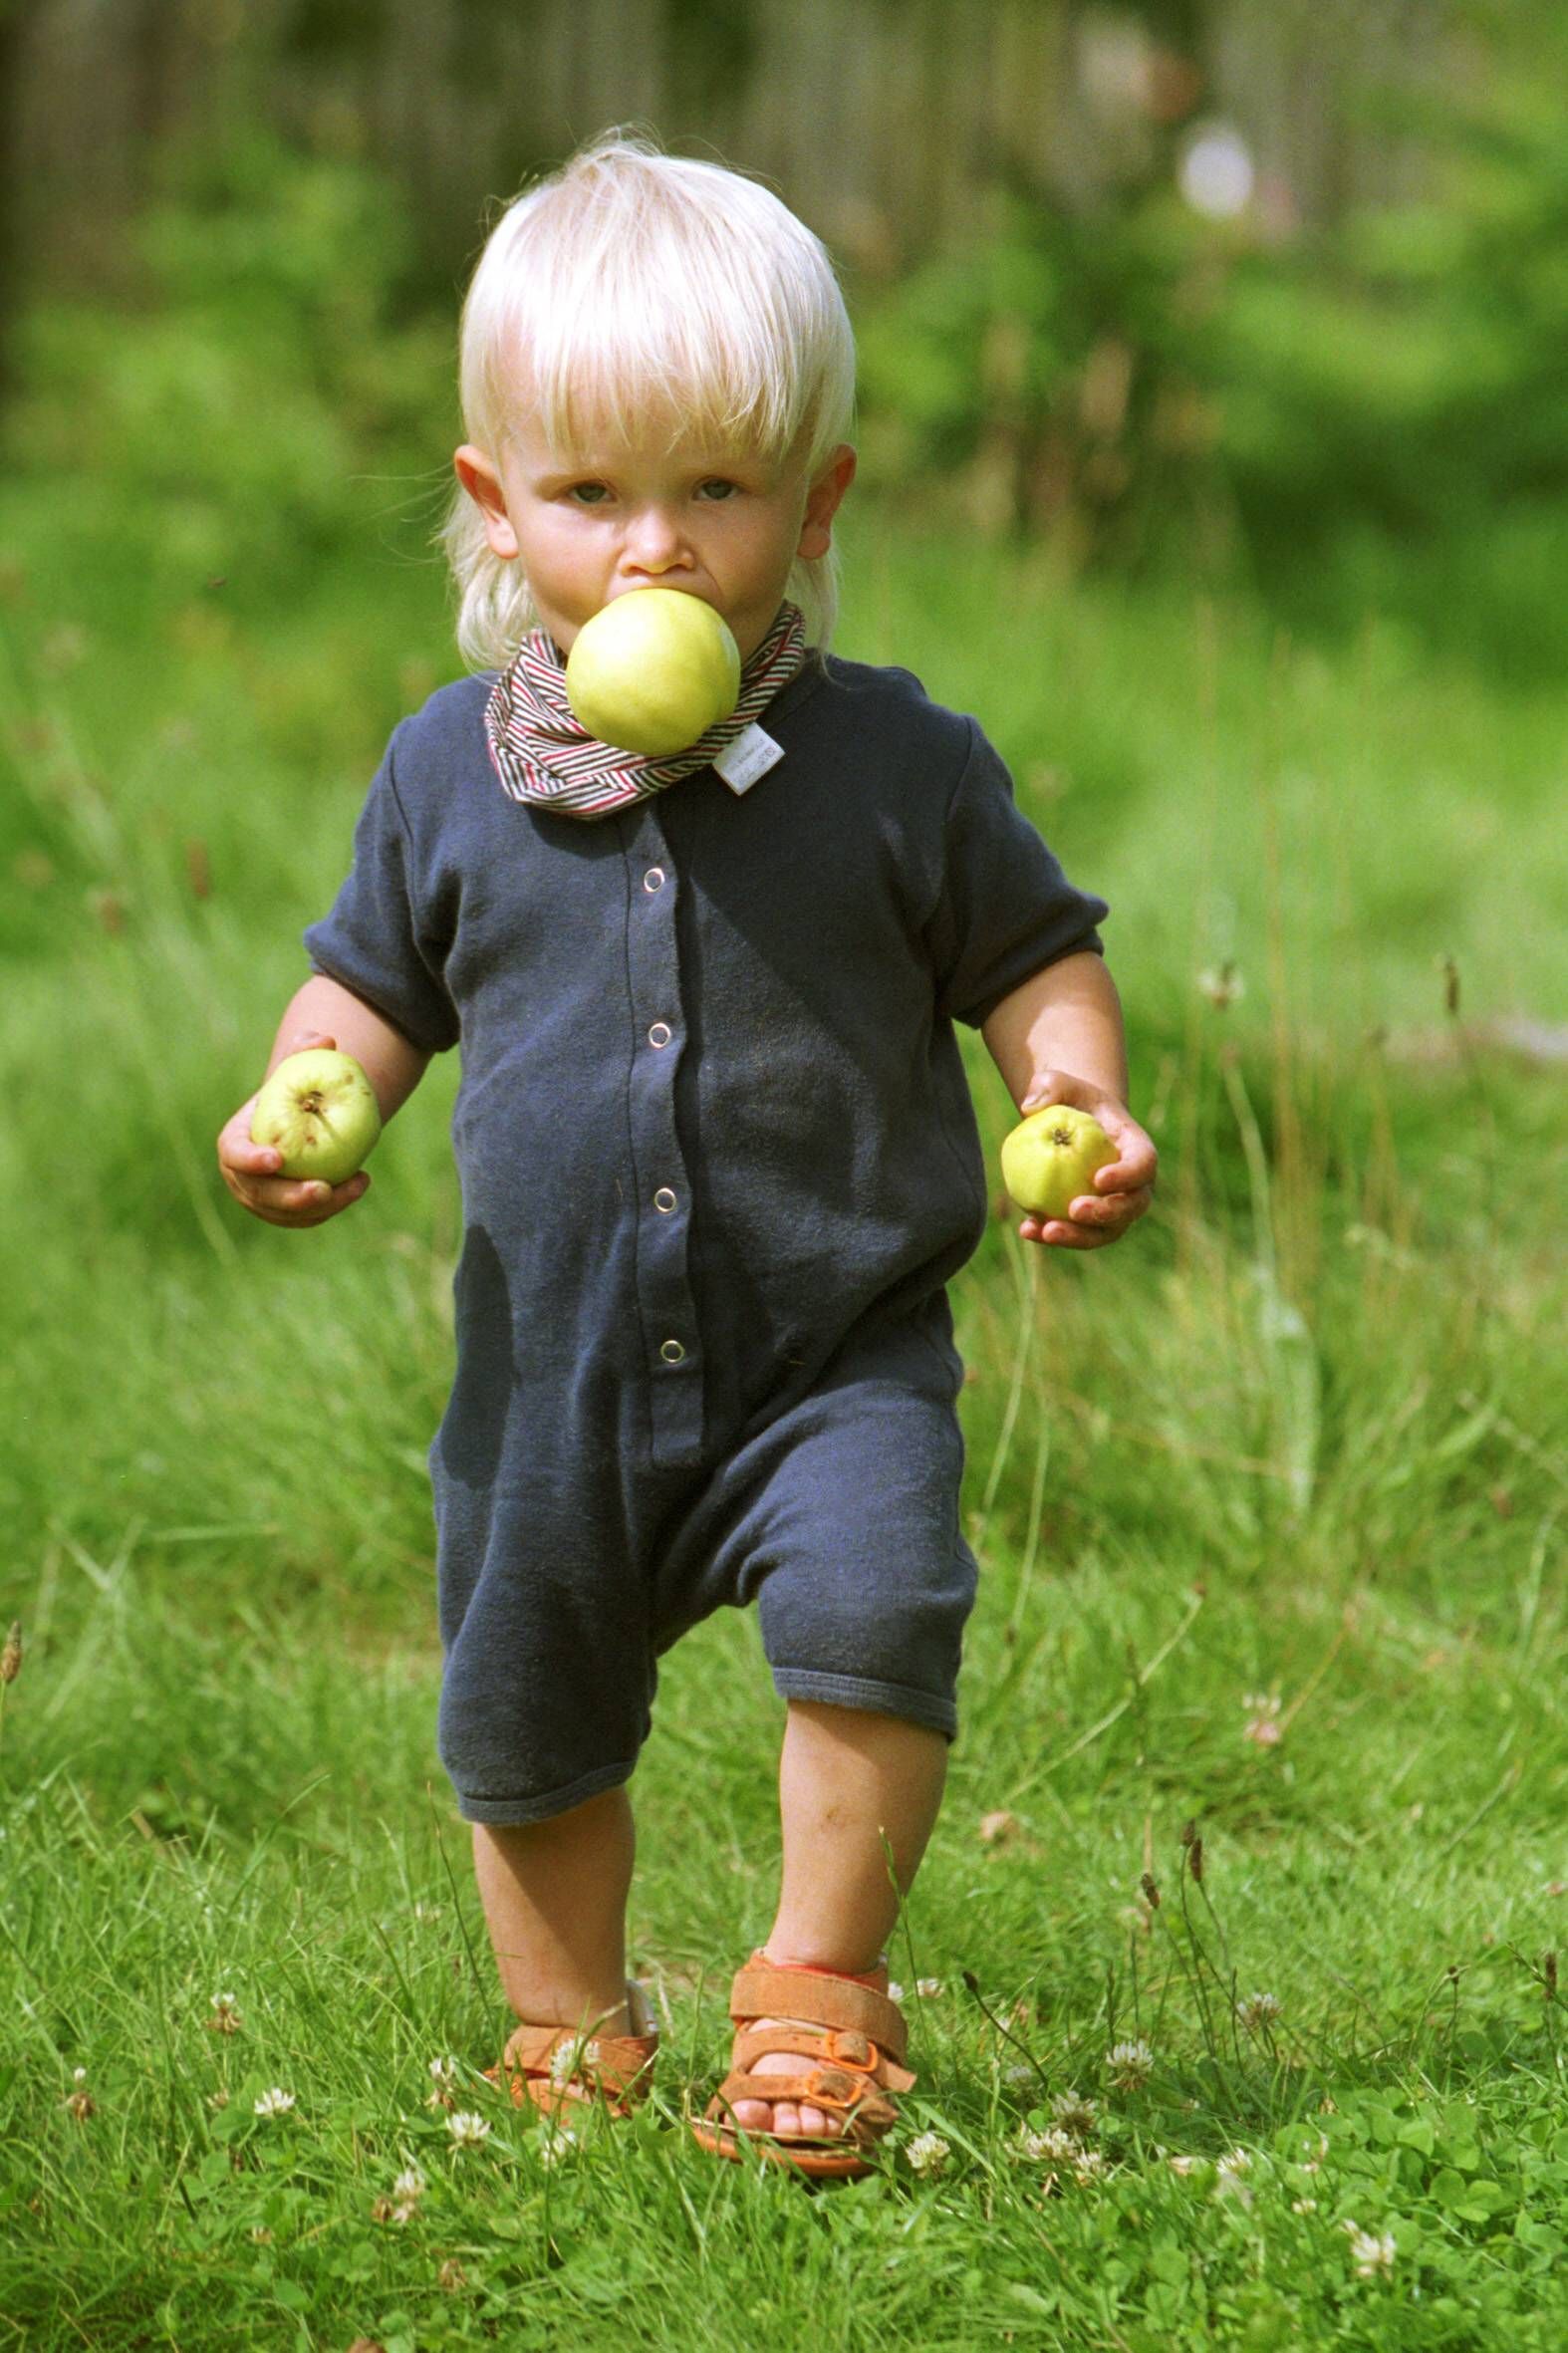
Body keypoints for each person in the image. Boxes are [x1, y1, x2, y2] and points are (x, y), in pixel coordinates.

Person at [216, 129, 1156, 2179]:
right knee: (522, 1709)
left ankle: (816, 1996)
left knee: (877, 1616)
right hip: (548, 1368)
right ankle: (568, 2023)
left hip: (836, 1344)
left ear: (814, 501)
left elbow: (1033, 954)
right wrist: (307, 1093)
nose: (656, 549)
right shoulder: (444, 775)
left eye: (716, 490)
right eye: (592, 495)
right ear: (497, 504)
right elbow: (366, 985)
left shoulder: (897, 762)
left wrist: (1070, 1092)